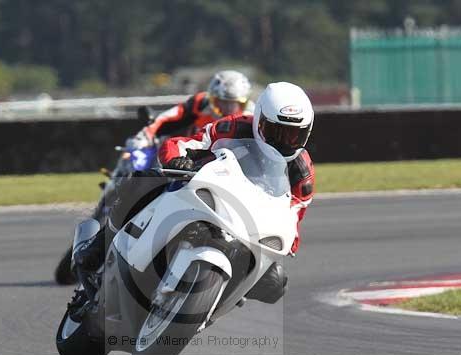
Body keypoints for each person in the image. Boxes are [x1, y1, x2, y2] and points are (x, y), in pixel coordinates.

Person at [75, 82, 315, 304]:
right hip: (206, 188)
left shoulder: (302, 172)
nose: (284, 142)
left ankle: (214, 301)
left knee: (276, 283)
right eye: (277, 132)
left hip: (248, 222)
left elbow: (293, 217)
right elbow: (185, 142)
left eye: (294, 135)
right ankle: (99, 246)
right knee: (142, 181)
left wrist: (285, 244)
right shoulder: (233, 126)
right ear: (260, 119)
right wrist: (178, 160)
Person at [130, 70, 253, 148]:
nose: (228, 109)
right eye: (222, 102)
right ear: (211, 99)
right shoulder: (200, 103)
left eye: (235, 104)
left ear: (245, 102)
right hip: (191, 159)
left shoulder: (253, 115)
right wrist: (146, 135)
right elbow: (166, 117)